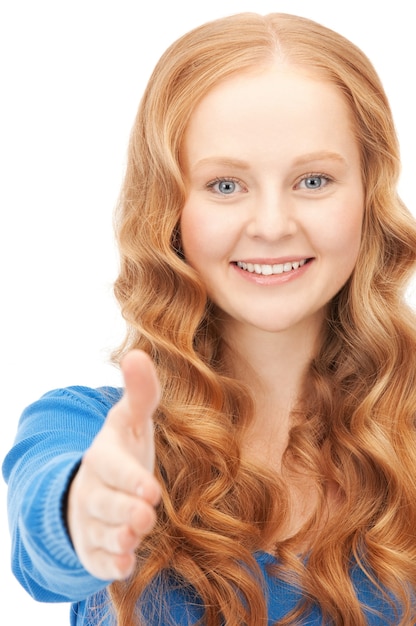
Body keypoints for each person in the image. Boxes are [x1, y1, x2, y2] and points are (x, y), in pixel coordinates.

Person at [3, 11, 416, 626]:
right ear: (169, 209)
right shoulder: (87, 427)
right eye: (225, 185)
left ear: (368, 195)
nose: (273, 224)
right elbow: (46, 554)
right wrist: (85, 511)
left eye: (313, 179)